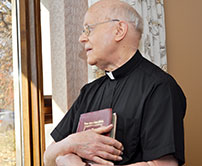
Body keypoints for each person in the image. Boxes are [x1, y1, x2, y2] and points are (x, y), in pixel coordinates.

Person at [44, 0, 186, 166]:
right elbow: (48, 157)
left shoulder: (159, 87)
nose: (81, 38)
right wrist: (72, 143)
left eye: (88, 29)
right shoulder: (89, 92)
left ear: (119, 30)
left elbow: (165, 165)